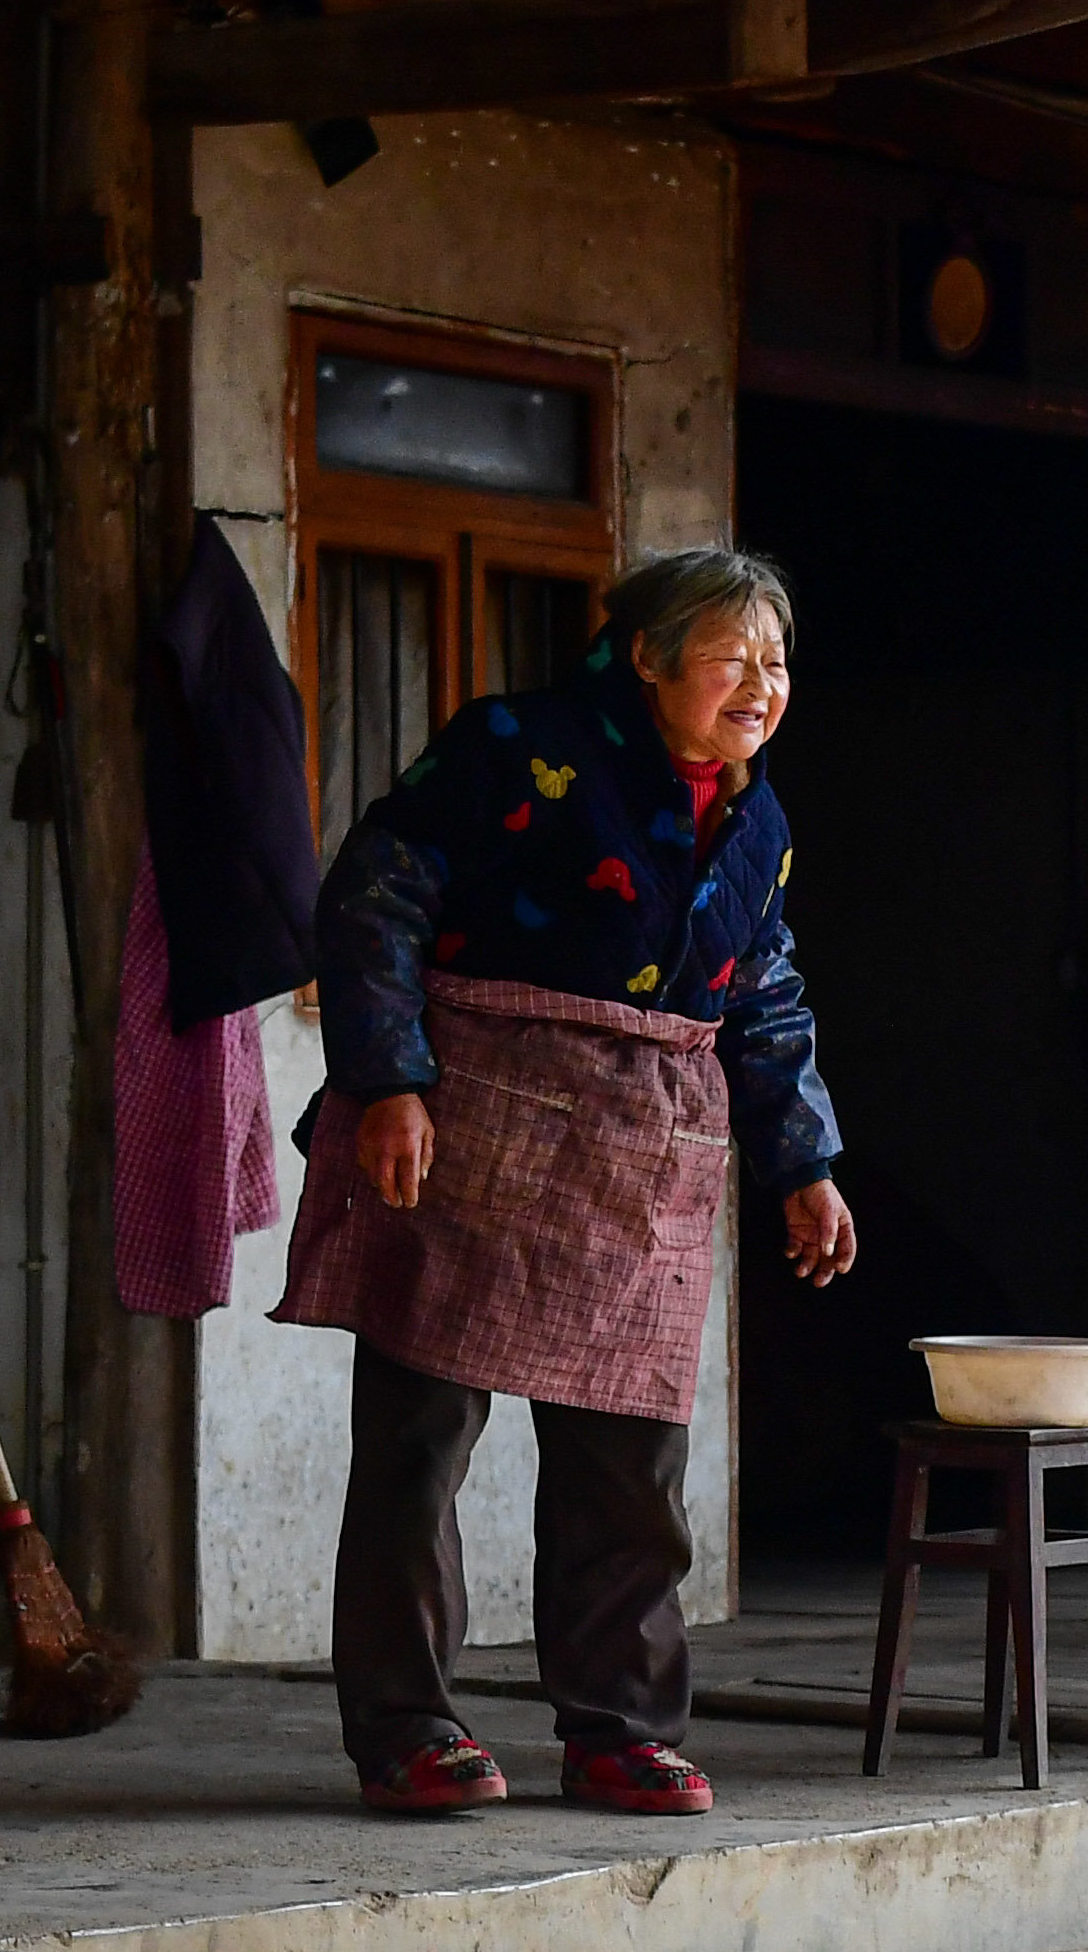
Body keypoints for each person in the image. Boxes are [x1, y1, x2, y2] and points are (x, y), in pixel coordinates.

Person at [283, 546, 854, 1817]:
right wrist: (389, 1080)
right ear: (645, 656)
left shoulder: (756, 822)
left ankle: (619, 1730)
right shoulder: (513, 748)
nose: (762, 685)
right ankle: (406, 1727)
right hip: (473, 1125)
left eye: (776, 662)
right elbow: (377, 894)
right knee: (419, 1442)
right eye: (732, 657)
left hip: (646, 1154)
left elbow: (763, 991)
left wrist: (804, 1163)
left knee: (631, 1462)